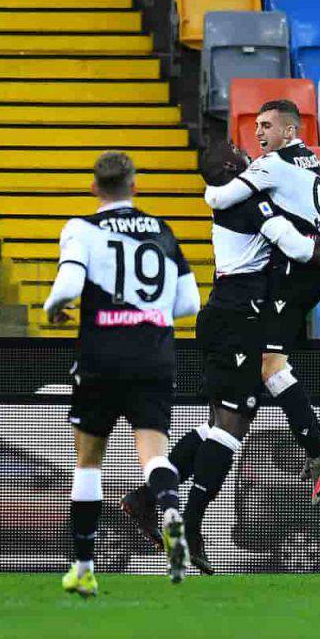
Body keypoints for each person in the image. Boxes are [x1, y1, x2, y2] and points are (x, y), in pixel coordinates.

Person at [122, 141, 320, 575]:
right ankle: (190, 525)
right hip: (237, 318)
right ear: (232, 166)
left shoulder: (234, 200)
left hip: (225, 315)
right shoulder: (249, 204)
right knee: (232, 424)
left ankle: (144, 500)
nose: (248, 153)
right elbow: (297, 248)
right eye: (237, 151)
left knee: (215, 424)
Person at [46, 151, 201, 597]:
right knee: (153, 454)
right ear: (135, 186)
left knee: (88, 463)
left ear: (94, 188)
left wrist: (55, 308)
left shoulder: (82, 228)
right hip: (154, 356)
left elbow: (70, 286)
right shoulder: (163, 231)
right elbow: (189, 303)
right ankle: (170, 508)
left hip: (101, 357)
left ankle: (84, 568)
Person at [205, 100, 320, 504]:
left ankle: (319, 447)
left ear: (289, 131)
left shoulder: (273, 163)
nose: (258, 133)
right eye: (257, 126)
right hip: (306, 273)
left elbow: (219, 198)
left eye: (266, 126)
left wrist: (214, 181)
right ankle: (313, 444)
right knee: (271, 365)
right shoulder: (310, 162)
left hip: (292, 273)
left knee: (270, 365)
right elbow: (314, 219)